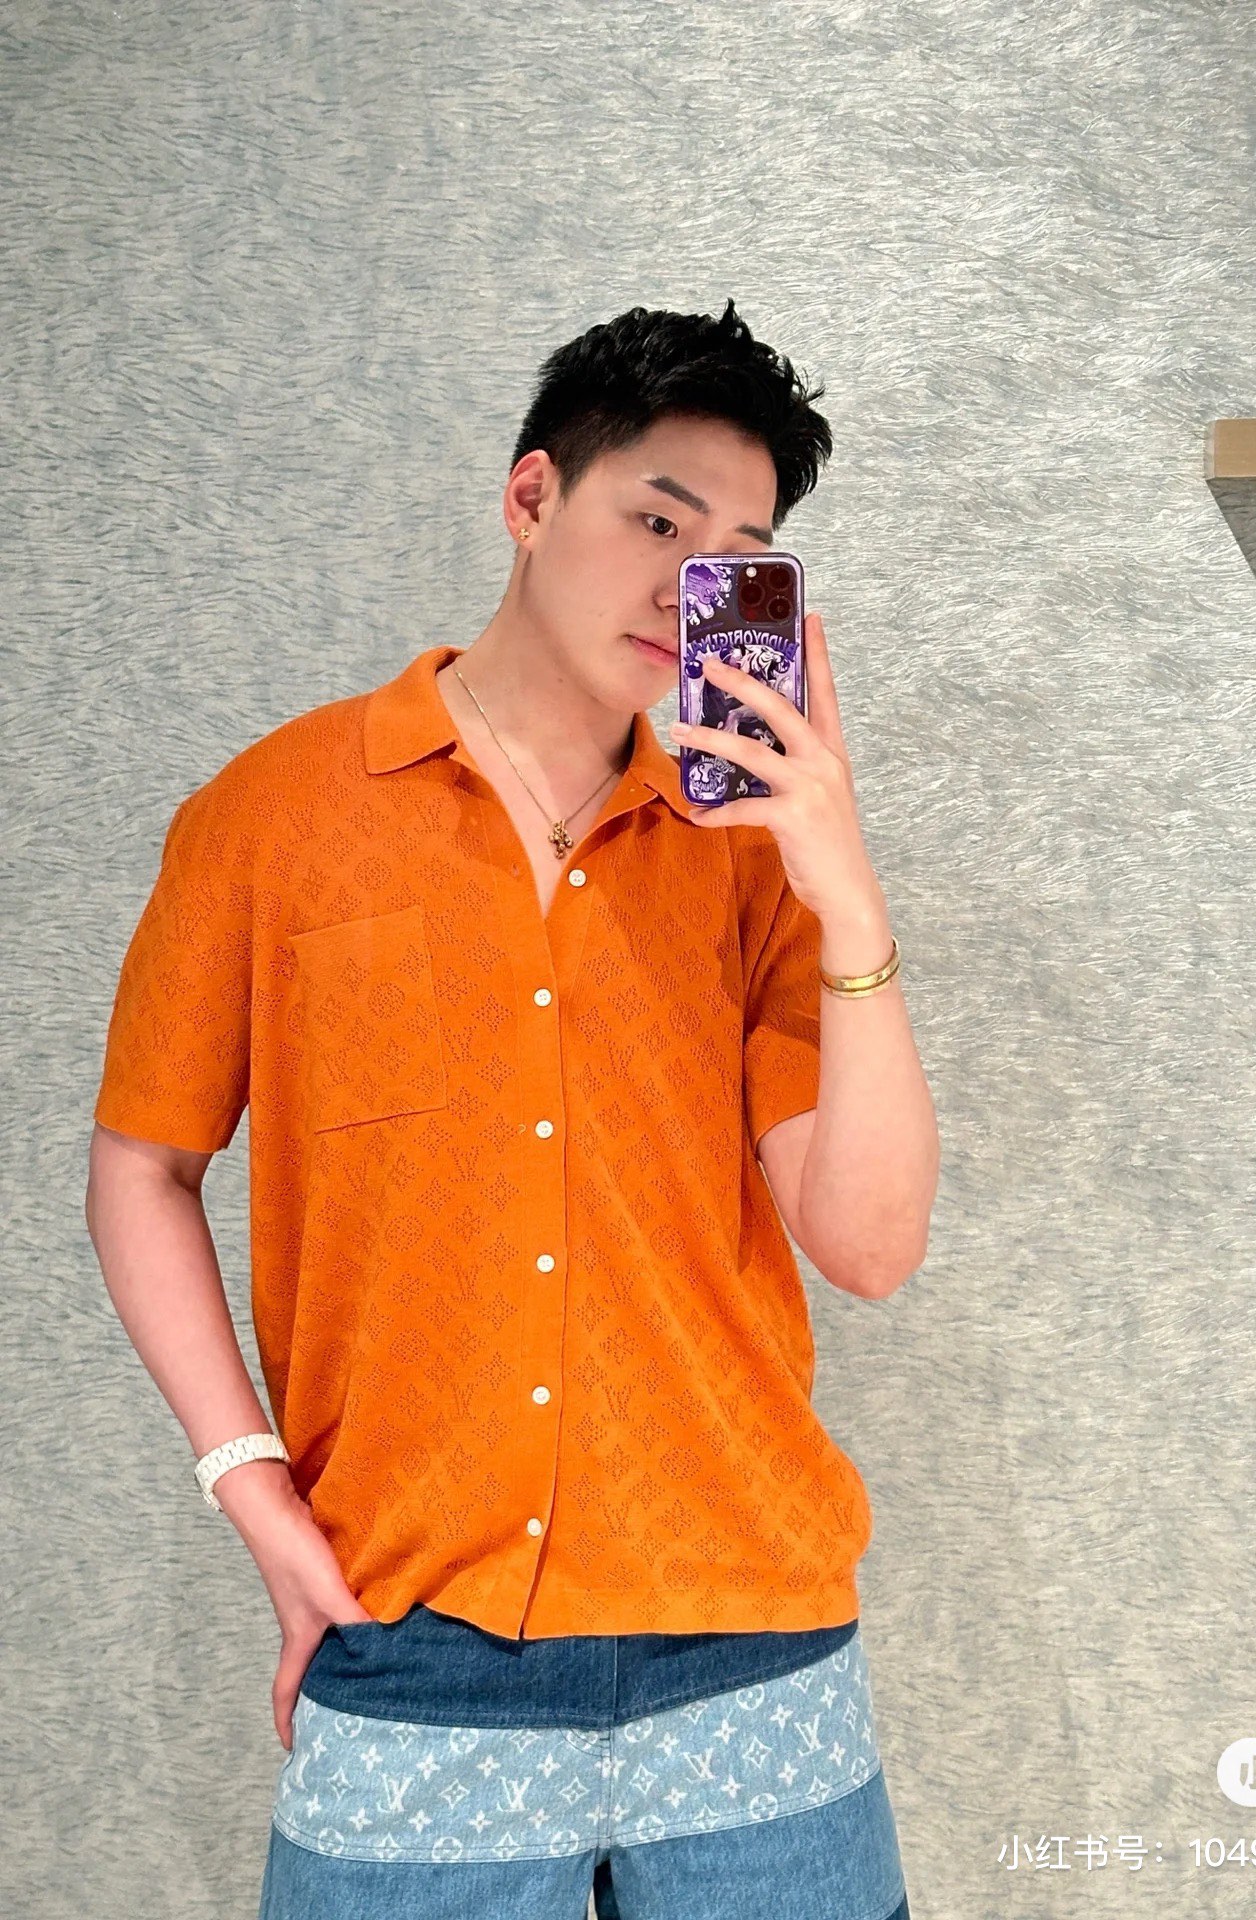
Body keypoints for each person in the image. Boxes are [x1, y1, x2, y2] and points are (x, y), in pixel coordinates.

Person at [86, 298, 939, 1919]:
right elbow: (142, 1163)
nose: (686, 584)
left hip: (751, 1642)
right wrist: (250, 1485)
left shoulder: (752, 860)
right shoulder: (274, 818)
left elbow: (872, 1244)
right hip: (412, 1641)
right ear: (531, 497)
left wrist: (845, 888)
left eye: (736, 554)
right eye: (658, 521)